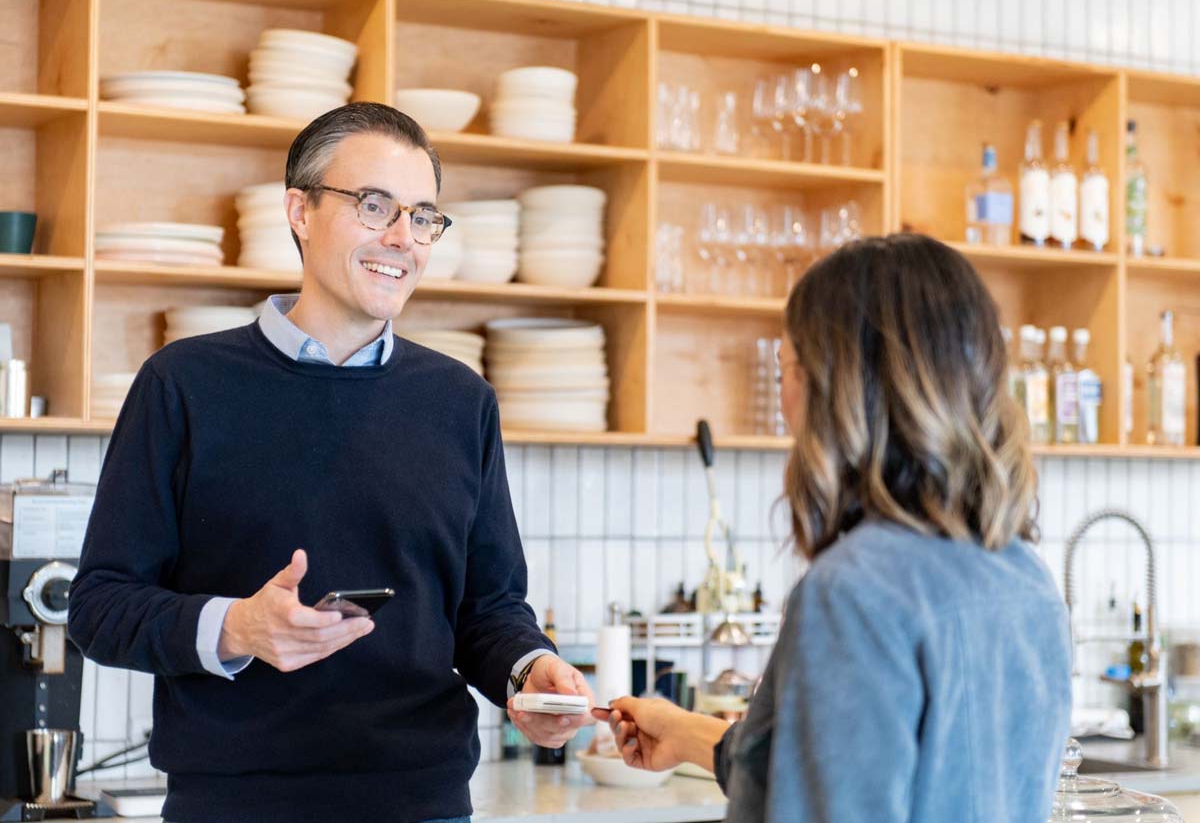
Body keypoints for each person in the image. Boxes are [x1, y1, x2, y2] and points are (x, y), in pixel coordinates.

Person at [69, 103, 592, 823]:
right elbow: (99, 608)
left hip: (423, 802)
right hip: (234, 806)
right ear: (300, 211)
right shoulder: (183, 384)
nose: (402, 238)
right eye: (374, 206)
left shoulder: (460, 401)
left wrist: (528, 670)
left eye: (423, 216)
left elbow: (488, 607)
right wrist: (239, 627)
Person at [597, 234, 1072, 822]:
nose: (785, 398)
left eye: (787, 367)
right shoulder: (1026, 578)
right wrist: (687, 732)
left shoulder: (854, 594)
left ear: (833, 386)